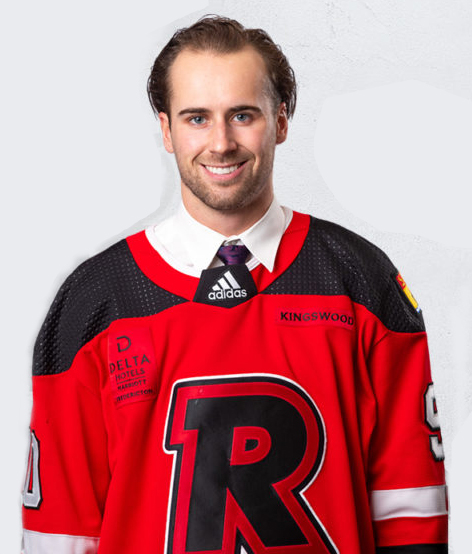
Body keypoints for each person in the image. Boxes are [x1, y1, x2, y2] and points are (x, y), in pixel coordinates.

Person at [21, 15, 448, 554]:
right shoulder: (93, 302)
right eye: (197, 118)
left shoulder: (361, 281)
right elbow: (61, 532)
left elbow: (412, 513)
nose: (220, 143)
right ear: (165, 130)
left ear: (282, 121)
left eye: (242, 115)